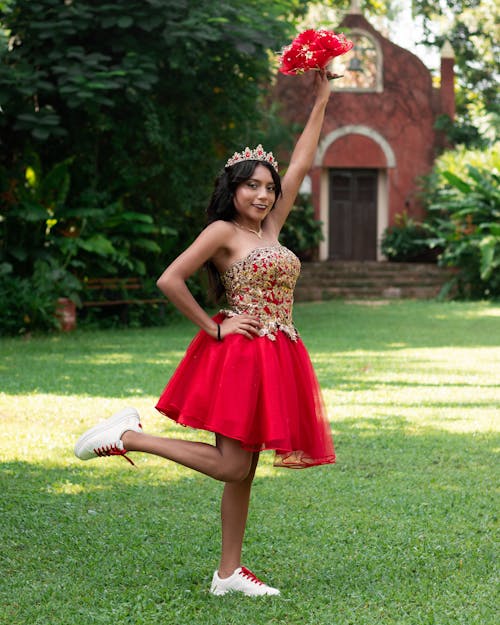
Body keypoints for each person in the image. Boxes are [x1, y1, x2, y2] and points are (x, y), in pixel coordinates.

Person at [74, 70, 336, 597]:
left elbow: (304, 159)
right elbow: (169, 279)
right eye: (252, 186)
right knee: (231, 464)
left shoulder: (271, 229)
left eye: (269, 187)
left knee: (244, 470)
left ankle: (227, 574)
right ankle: (126, 437)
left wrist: (324, 92)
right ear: (233, 189)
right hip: (240, 352)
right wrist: (213, 328)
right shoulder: (222, 232)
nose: (263, 195)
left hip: (278, 352)